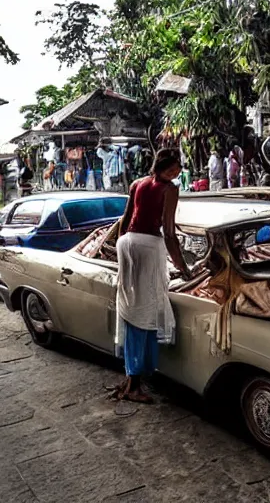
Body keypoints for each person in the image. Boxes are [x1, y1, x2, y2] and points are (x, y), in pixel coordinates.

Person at [113, 149, 192, 403]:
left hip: (127, 245)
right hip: (148, 249)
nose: (177, 172)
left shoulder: (138, 183)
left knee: (133, 308)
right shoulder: (170, 190)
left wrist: (120, 254)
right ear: (165, 167)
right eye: (175, 168)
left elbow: (124, 222)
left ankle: (133, 376)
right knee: (144, 312)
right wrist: (183, 267)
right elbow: (169, 232)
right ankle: (134, 385)